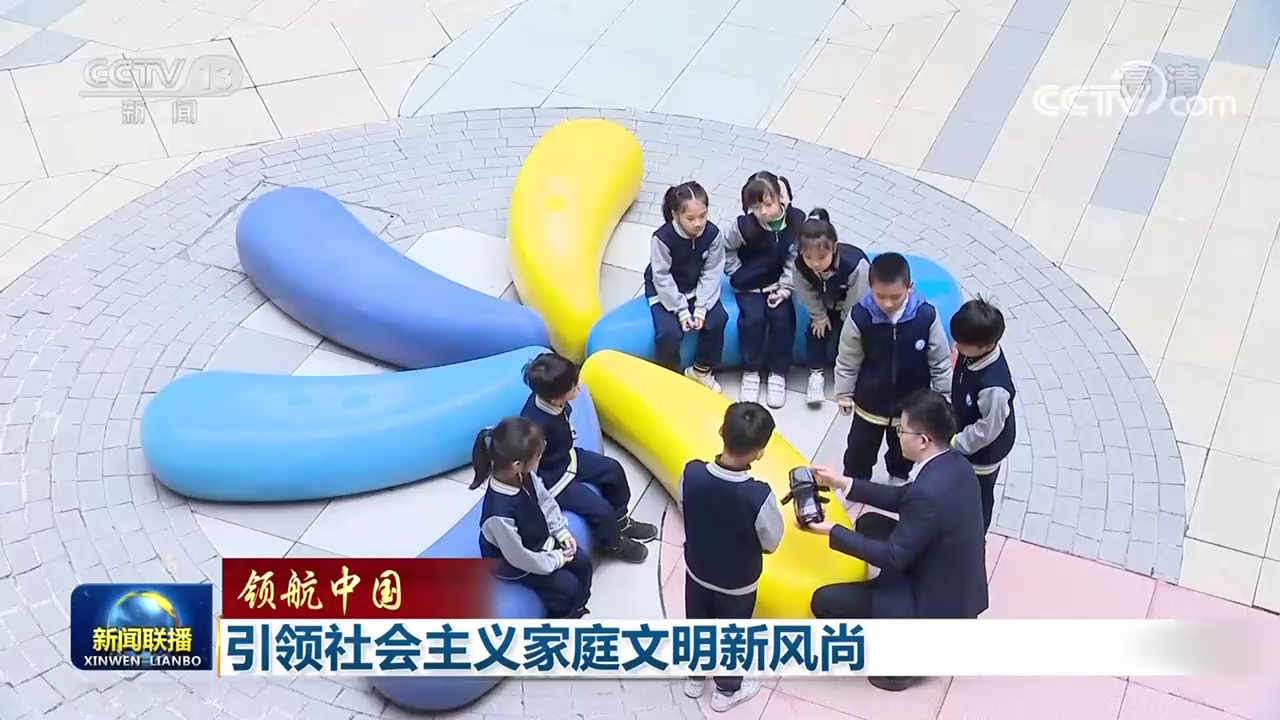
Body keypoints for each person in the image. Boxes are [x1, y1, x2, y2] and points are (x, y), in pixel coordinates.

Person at [799, 389, 989, 691]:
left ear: (923, 440)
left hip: (932, 603)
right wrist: (844, 483)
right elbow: (904, 497)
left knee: (824, 602)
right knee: (869, 523)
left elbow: (892, 556)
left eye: (901, 430)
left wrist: (832, 530)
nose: (897, 435)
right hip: (951, 580)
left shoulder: (928, 493)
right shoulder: (953, 464)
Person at [679, 401, 785, 712]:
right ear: (760, 452)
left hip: (697, 570)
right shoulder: (759, 496)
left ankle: (695, 676)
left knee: (697, 622)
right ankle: (726, 690)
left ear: (721, 431)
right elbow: (771, 541)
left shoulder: (692, 472)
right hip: (738, 584)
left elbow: (686, 507)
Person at [521, 352, 657, 564]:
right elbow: (530, 471)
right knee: (600, 510)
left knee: (613, 470)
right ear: (555, 398)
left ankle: (621, 519)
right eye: (575, 387)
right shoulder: (535, 429)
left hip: (566, 457)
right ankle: (612, 544)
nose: (580, 388)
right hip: (553, 479)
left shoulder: (552, 400)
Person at [834, 252, 952, 485]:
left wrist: (943, 394)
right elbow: (848, 359)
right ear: (870, 287)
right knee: (859, 449)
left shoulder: (925, 316)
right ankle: (855, 485)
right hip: (869, 402)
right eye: (880, 296)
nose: (887, 303)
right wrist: (844, 393)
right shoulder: (860, 317)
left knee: (903, 451)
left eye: (895, 297)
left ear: (910, 287)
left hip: (910, 405)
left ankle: (899, 479)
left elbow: (939, 360)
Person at [473, 417, 593, 619]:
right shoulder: (498, 514)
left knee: (582, 563)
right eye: (538, 457)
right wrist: (556, 559)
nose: (539, 461)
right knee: (567, 588)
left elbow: (545, 501)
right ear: (517, 464)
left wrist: (561, 532)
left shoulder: (523, 475)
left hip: (536, 541)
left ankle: (579, 608)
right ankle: (564, 618)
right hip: (514, 563)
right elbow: (519, 557)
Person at [723, 171, 806, 409]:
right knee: (752, 321)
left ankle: (778, 373)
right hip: (749, 286)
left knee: (783, 320)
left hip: (778, 285)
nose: (764, 212)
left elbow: (795, 258)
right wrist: (737, 273)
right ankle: (751, 371)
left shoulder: (796, 222)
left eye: (768, 204)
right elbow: (725, 247)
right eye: (756, 207)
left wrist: (785, 288)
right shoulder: (743, 226)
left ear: (781, 198)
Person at [643, 181, 728, 392]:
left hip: (696, 288)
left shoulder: (713, 234)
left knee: (718, 320)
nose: (698, 223)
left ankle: (701, 370)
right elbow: (661, 276)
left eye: (703, 216)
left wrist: (701, 307)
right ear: (675, 215)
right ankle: (670, 378)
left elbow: (712, 271)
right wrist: (681, 310)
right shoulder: (662, 239)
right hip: (665, 291)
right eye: (690, 218)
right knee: (669, 333)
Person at [792, 208, 870, 408]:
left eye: (821, 258)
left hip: (854, 307)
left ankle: (851, 377)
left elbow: (858, 298)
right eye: (809, 258)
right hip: (826, 304)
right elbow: (805, 292)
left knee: (852, 339)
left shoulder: (855, 266)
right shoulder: (800, 266)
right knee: (816, 332)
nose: (815, 264)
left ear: (834, 248)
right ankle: (816, 373)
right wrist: (819, 316)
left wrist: (846, 324)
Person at [950, 298, 1016, 532]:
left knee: (979, 495)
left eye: (962, 344)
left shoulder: (994, 389)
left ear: (986, 346)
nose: (956, 346)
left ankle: (977, 536)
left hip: (984, 452)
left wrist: (957, 442)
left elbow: (987, 429)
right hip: (965, 429)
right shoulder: (972, 351)